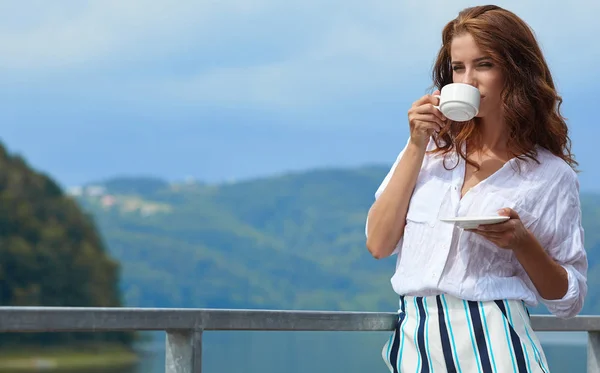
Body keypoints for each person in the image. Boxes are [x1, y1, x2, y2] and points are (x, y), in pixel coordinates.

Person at [365, 5, 587, 373]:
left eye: (484, 64)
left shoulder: (551, 175)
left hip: (498, 343)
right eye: (458, 67)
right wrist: (417, 144)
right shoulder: (428, 153)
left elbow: (568, 299)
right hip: (414, 343)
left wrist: (522, 242)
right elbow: (378, 244)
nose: (467, 81)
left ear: (516, 73)